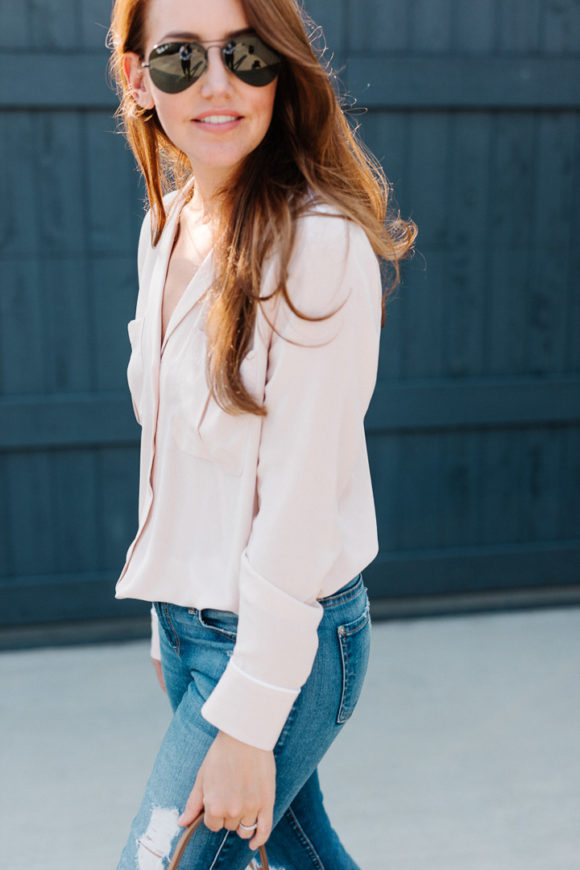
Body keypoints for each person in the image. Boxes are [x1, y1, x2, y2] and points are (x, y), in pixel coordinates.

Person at [109, 0, 416, 866]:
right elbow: (171, 461)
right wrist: (169, 626)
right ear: (137, 80)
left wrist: (247, 718)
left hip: (289, 641)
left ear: (280, 69)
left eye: (245, 54)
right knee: (307, 854)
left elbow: (298, 503)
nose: (217, 84)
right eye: (178, 58)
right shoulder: (165, 227)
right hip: (192, 629)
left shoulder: (319, 245)